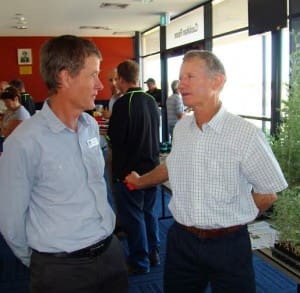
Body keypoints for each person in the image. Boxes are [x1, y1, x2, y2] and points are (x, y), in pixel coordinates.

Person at [125, 50, 288, 292]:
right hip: (182, 241)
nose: (181, 84)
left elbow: (269, 191)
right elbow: (172, 165)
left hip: (229, 245)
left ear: (217, 81)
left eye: (190, 76)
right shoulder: (181, 128)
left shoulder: (245, 134)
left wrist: (234, 218)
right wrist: (141, 182)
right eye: (181, 77)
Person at [0, 35, 128, 293]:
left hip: (110, 255)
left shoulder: (90, 126)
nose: (101, 85)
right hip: (60, 271)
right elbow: (10, 222)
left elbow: (97, 186)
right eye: (93, 75)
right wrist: (42, 262)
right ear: (65, 76)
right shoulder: (24, 142)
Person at [107, 60, 160, 274]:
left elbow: (115, 139)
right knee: (148, 212)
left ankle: (140, 261)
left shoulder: (122, 103)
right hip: (152, 167)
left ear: (121, 79)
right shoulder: (150, 100)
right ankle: (153, 251)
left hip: (130, 172)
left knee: (134, 216)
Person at [101, 68, 124, 237]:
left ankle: (121, 225)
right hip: (111, 148)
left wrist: (110, 120)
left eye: (116, 79)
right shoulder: (113, 99)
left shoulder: (125, 101)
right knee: (112, 188)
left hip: (123, 153)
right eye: (110, 80)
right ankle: (118, 221)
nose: (113, 83)